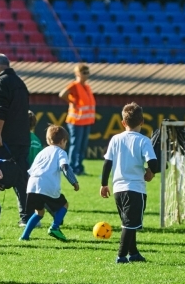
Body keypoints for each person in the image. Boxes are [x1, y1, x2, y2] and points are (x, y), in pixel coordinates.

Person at [100, 103, 160, 263]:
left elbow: (107, 163)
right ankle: (121, 256)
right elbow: (153, 163)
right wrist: (151, 171)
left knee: (129, 222)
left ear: (123, 122)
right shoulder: (144, 141)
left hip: (118, 189)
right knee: (129, 224)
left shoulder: (115, 139)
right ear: (142, 122)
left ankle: (133, 253)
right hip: (135, 188)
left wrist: (104, 184)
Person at [0, 53, 31, 226]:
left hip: (5, 139)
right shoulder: (20, 82)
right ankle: (26, 218)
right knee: (20, 178)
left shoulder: (0, 82)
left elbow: (0, 110)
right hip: (22, 138)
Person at [20, 125, 79, 241]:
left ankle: (24, 236)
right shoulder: (61, 152)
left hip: (32, 185)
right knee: (64, 205)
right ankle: (55, 227)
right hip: (47, 185)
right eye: (65, 142)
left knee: (39, 212)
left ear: (48, 140)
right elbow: (65, 167)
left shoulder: (42, 152)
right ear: (62, 141)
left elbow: (31, 170)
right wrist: (74, 182)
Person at [59, 63, 96, 175]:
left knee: (82, 146)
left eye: (87, 72)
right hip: (76, 120)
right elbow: (62, 94)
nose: (86, 74)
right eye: (84, 72)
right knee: (76, 145)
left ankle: (79, 167)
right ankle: (72, 168)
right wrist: (71, 102)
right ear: (77, 74)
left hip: (86, 121)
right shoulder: (74, 85)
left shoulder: (87, 86)